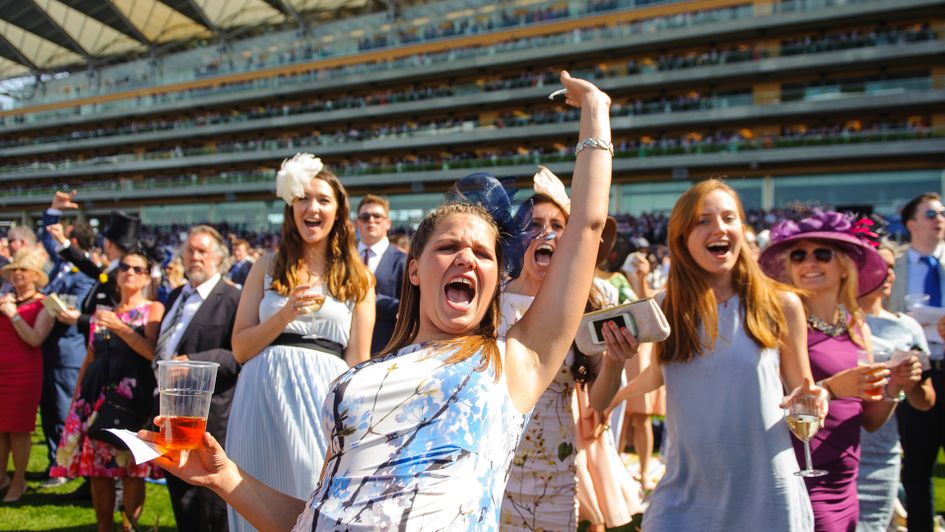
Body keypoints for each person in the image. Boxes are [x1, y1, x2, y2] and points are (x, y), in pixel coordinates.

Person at [141, 70, 614, 531]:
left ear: (495, 279)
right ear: (414, 270)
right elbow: (314, 515)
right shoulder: (355, 380)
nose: (466, 259)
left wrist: (595, 111)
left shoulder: (513, 363)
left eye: (483, 253)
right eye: (448, 248)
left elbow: (587, 228)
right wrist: (226, 478)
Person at [609, 179, 822, 531]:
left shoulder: (781, 304)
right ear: (681, 237)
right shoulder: (665, 306)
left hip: (766, 495)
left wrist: (815, 401)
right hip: (685, 497)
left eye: (729, 217)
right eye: (703, 220)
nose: (718, 228)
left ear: (742, 227)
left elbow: (803, 391)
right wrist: (610, 401)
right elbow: (669, 371)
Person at [224, 153, 375, 532]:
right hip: (261, 393)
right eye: (304, 198)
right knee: (253, 493)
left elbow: (359, 360)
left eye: (323, 199)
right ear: (292, 208)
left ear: (338, 211)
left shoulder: (359, 278)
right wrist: (284, 315)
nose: (313, 207)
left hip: (322, 397)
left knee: (314, 492)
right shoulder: (266, 265)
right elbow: (240, 348)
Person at [760, 210, 914, 531]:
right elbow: (784, 401)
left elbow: (870, 419)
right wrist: (830, 387)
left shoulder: (857, 326)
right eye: (799, 255)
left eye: (822, 254)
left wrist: (895, 388)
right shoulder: (782, 322)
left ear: (844, 266)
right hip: (806, 470)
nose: (809, 263)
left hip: (848, 475)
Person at [498, 168, 631, 530]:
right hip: (491, 469)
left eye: (558, 226)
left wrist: (617, 362)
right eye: (534, 224)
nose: (546, 233)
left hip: (553, 475)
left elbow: (599, 401)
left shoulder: (585, 304)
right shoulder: (489, 301)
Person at [50, 249, 163, 531]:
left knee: (132, 469)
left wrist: (121, 327)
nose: (130, 272)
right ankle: (103, 527)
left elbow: (152, 353)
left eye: (138, 269)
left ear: (148, 277)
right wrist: (77, 397)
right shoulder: (105, 312)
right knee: (97, 471)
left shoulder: (153, 309)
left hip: (132, 399)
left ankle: (130, 527)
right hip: (95, 398)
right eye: (125, 267)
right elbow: (90, 357)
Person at [154, 226, 241, 532]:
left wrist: (194, 362)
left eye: (202, 251)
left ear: (219, 257)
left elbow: (239, 356)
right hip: (169, 410)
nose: (194, 257)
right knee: (181, 494)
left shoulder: (233, 298)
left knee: (213, 502)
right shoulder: (178, 294)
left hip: (209, 415)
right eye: (190, 251)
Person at [856, 243, 933, 532]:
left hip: (881, 454)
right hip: (834, 448)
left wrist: (909, 383)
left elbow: (925, 401)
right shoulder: (830, 319)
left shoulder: (909, 327)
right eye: (878, 265)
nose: (887, 274)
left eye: (891, 267)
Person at [888, 192, 945, 532]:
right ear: (911, 224)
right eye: (931, 213)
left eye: (942, 213)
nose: (939, 219)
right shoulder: (894, 265)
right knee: (918, 466)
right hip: (916, 373)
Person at [38, 192, 98, 488]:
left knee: (64, 413)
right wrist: (53, 211)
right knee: (49, 411)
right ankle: (54, 462)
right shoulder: (62, 266)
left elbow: (82, 306)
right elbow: (49, 241)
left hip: (70, 351)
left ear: (74, 243)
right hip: (51, 348)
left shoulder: (85, 271)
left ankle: (65, 468)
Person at [0, 249, 52, 502]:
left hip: (23, 374)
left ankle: (19, 480)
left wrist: (13, 315)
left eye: (23, 270)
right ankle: (2, 478)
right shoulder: (4, 299)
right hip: (2, 370)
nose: (18, 274)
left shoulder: (44, 303)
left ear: (35, 276)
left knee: (19, 429)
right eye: (15, 270)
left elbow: (35, 339)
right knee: (0, 429)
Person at [51, 209, 141, 338]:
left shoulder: (121, 274)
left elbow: (116, 317)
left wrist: (80, 319)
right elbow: (88, 267)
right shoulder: (114, 270)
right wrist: (62, 241)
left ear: (109, 243)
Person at [355, 194, 407, 354]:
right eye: (365, 217)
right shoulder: (342, 260)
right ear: (357, 223)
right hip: (343, 351)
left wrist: (366, 299)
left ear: (388, 223)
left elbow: (407, 308)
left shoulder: (403, 261)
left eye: (377, 216)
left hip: (385, 350)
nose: (371, 220)